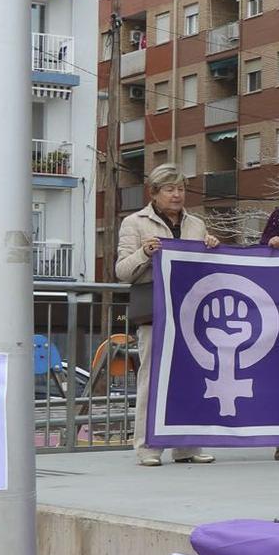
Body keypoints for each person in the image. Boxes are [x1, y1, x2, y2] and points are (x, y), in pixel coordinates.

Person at [117, 163, 221, 467]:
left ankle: (188, 445)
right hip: (155, 313)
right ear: (154, 193)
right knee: (151, 379)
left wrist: (212, 248)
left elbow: (205, 269)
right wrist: (144, 253)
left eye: (181, 189)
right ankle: (148, 446)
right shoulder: (134, 223)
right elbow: (122, 271)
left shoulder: (196, 224)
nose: (177, 195)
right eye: (169, 189)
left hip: (191, 314)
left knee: (192, 378)